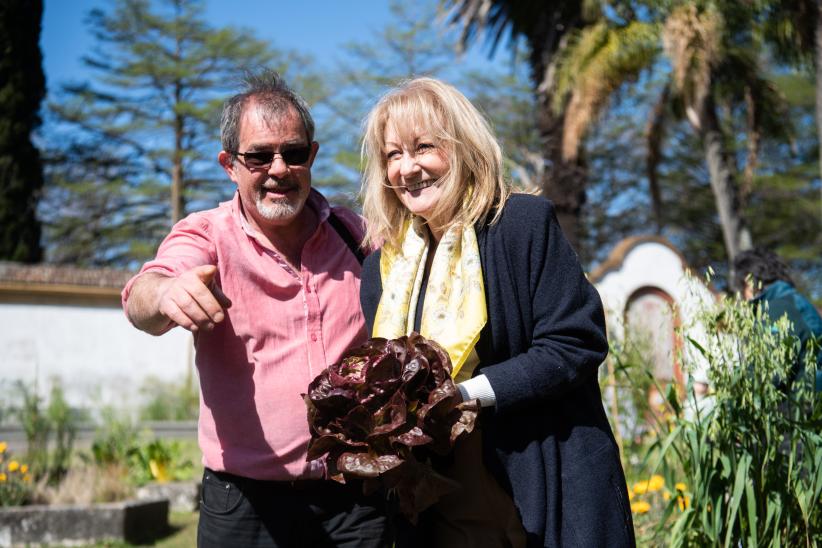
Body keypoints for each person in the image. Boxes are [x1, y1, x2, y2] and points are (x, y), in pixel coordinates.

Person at [358, 77, 634, 547]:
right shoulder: (382, 267)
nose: (408, 168)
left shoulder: (521, 226)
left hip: (539, 480)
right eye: (393, 154)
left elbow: (576, 342)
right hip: (439, 502)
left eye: (424, 147)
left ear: (463, 147)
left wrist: (464, 393)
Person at [122, 70, 390, 548]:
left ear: (314, 155)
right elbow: (143, 295)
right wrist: (165, 293)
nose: (279, 169)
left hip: (354, 496)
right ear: (230, 164)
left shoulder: (358, 237)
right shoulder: (206, 235)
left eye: (294, 153)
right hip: (245, 506)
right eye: (259, 156)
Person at [733, 247, 822, 391]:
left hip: (800, 406)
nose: (743, 299)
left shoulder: (778, 308)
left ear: (748, 283)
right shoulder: (792, 301)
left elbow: (768, 373)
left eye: (740, 290)